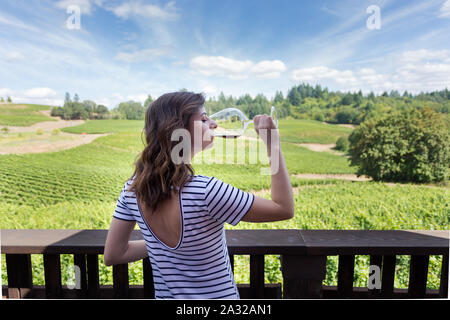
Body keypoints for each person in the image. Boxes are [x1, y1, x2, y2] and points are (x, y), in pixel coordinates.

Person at [104, 91, 294, 299]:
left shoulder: (132, 190)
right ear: (179, 130)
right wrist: (272, 144)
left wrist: (159, 244)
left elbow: (114, 254)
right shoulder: (206, 191)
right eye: (204, 119)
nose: (213, 123)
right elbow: (283, 208)